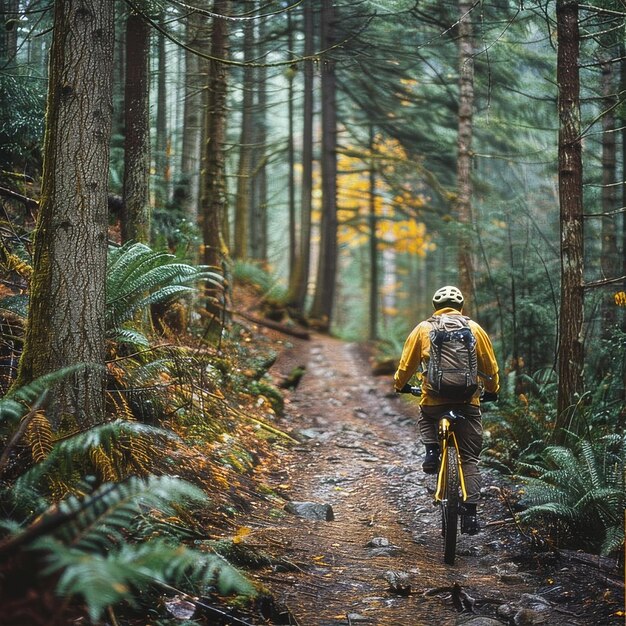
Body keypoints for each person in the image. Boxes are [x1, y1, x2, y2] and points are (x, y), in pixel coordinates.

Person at [393, 285, 499, 534]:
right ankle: (471, 514)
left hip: (434, 400)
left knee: (425, 416)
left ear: (435, 307)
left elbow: (407, 364)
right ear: (461, 307)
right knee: (469, 458)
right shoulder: (474, 329)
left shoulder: (423, 329)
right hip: (467, 403)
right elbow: (490, 366)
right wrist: (493, 390)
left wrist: (400, 385)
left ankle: (431, 451)